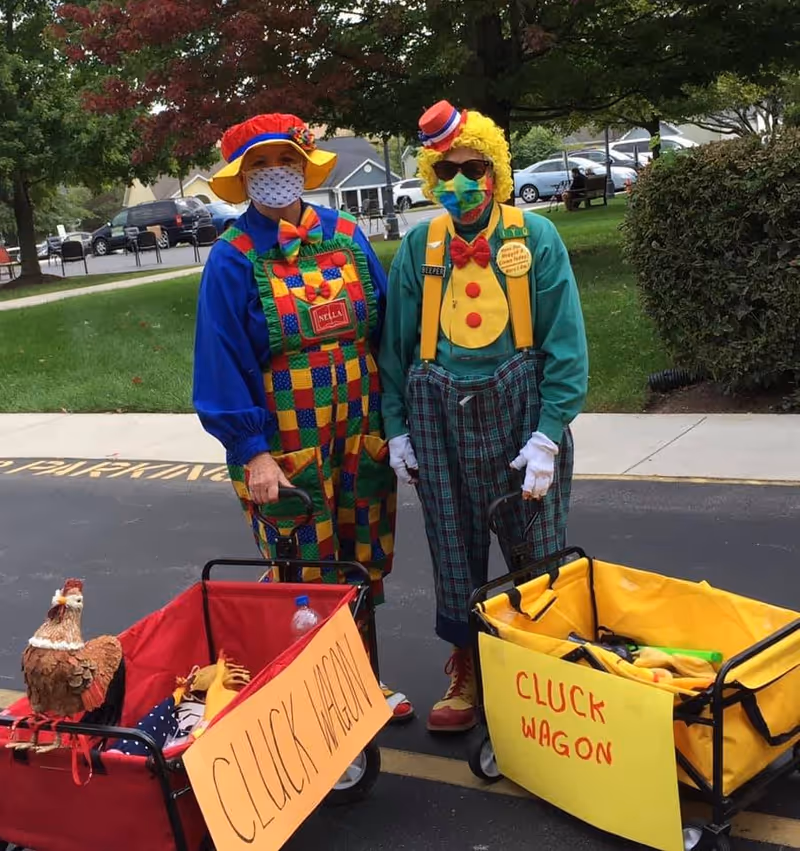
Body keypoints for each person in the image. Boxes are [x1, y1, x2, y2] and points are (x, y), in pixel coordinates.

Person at [193, 113, 413, 722]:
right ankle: (322, 699)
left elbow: (390, 332)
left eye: (282, 161)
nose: (273, 175)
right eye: (257, 166)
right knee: (303, 570)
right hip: (286, 439)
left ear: (302, 166)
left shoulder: (348, 235)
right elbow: (220, 362)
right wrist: (252, 451)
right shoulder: (233, 258)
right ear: (242, 180)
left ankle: (364, 683)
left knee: (361, 556)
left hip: (360, 428)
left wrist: (398, 423)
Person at [379, 101, 588, 733]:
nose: (461, 182)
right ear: (431, 175)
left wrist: (549, 434)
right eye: (447, 170)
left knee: (537, 549)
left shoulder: (535, 237)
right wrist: (396, 428)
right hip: (437, 414)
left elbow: (566, 343)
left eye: (474, 167)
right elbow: (393, 349)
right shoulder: (420, 246)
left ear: (495, 169)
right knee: (452, 544)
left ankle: (539, 670)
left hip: (521, 407)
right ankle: (466, 663)